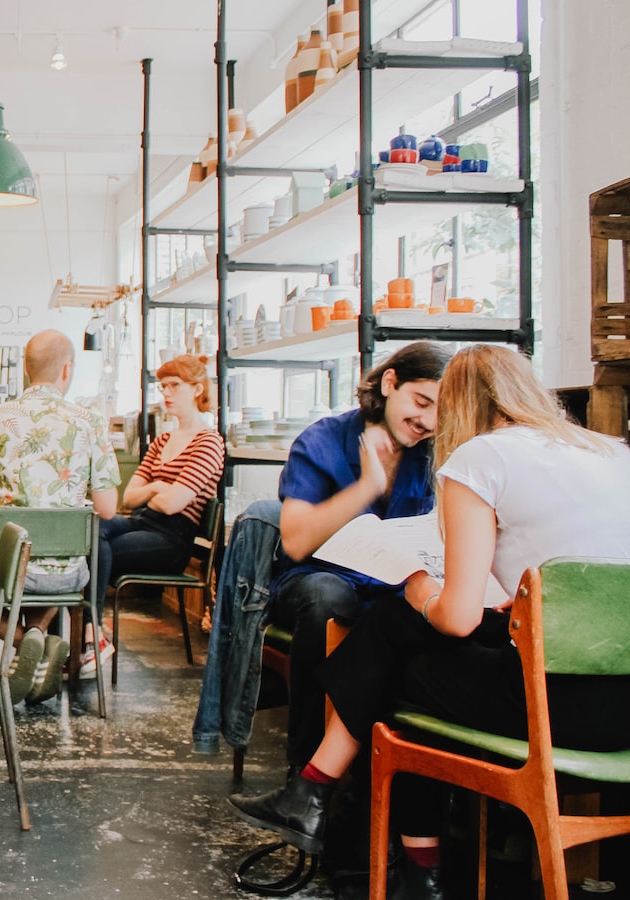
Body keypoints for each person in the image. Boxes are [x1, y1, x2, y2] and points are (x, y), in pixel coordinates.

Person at [230, 345, 630, 898]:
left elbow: (458, 618)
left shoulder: (481, 459)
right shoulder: (613, 451)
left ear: (460, 404)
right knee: (402, 634)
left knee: (406, 658)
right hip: (622, 706)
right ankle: (332, 807)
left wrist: (419, 585)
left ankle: (360, 826)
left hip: (553, 706)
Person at [264, 341, 451, 770]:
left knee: (439, 618)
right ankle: (305, 772)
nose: (427, 421)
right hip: (316, 582)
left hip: (395, 589)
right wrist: (366, 486)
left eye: (441, 412)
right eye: (421, 402)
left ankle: (408, 791)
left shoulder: (434, 455)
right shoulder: (323, 440)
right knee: (330, 598)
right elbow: (294, 541)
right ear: (390, 382)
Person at [0, 330, 121, 670]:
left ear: (26, 369)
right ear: (67, 370)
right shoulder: (91, 421)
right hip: (69, 573)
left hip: (7, 568)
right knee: (55, 571)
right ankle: (37, 636)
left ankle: (22, 640)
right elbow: (107, 509)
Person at [86, 354, 225, 674]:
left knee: (97, 545)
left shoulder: (209, 442)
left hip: (172, 538)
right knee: (93, 525)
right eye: (163, 387)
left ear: (197, 389)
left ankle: (90, 633)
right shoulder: (162, 440)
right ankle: (90, 632)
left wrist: (157, 490)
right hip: (142, 523)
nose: (166, 393)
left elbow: (175, 504)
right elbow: (131, 496)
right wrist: (157, 487)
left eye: (174, 386)